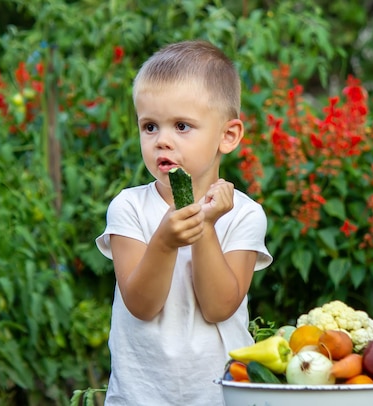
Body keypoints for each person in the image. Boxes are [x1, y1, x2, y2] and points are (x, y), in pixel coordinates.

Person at [95, 39, 272, 405]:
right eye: (149, 127)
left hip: (220, 395)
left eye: (181, 126)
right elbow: (142, 305)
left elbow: (219, 307)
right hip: (141, 394)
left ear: (228, 136)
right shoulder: (128, 207)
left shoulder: (243, 214)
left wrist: (205, 227)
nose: (162, 141)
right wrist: (164, 241)